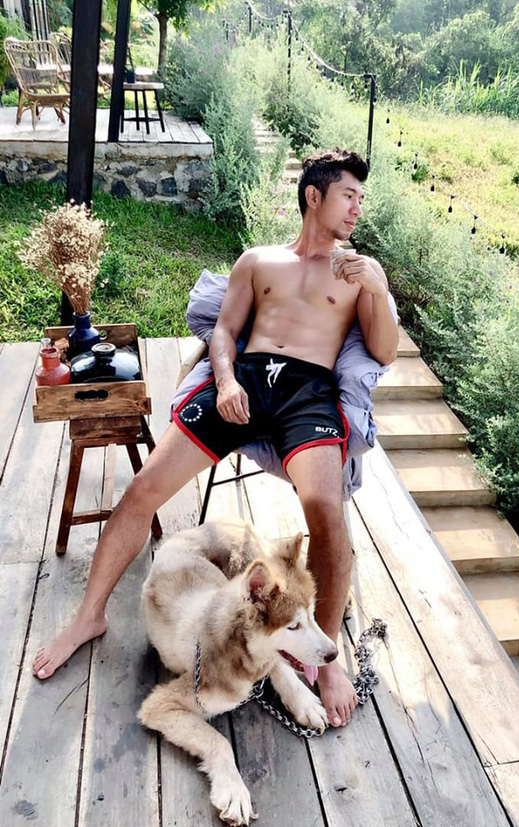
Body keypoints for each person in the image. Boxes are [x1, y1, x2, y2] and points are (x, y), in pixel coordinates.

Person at [33, 148, 399, 729]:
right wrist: (224, 380)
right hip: (245, 382)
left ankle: (326, 657)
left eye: (361, 198)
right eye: (348, 196)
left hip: (308, 394)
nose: (357, 208)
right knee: (143, 489)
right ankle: (89, 617)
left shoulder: (358, 273)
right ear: (314, 196)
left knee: (327, 514)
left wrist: (376, 287)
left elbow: (383, 351)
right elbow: (225, 330)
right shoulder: (260, 260)